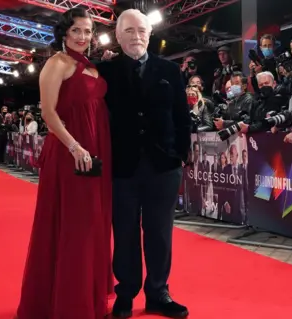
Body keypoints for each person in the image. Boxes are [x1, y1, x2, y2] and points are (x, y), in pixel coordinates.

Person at [16, 8, 112, 319]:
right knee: (74, 227)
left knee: (93, 225)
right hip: (72, 154)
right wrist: (75, 147)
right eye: (77, 31)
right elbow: (48, 113)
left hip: (97, 152)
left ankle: (88, 298)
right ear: (64, 33)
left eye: (87, 31)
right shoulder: (55, 64)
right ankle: (69, 304)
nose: (83, 37)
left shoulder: (90, 65)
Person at [97, 9, 191, 319]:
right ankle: (125, 293)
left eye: (141, 30)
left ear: (150, 34)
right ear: (117, 35)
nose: (136, 35)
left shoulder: (170, 70)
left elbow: (181, 116)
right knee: (124, 232)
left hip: (164, 166)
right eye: (129, 30)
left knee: (160, 232)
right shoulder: (105, 72)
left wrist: (181, 154)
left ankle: (158, 291)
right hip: (121, 166)